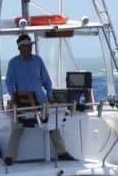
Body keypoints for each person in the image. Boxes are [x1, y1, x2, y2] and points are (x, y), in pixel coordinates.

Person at [4, 33, 74, 165]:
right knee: (17, 126)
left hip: (41, 101)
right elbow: (9, 83)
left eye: (30, 46)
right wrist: (13, 97)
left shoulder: (38, 61)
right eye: (26, 47)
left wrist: (50, 96)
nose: (29, 49)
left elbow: (47, 81)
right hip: (23, 104)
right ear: (20, 48)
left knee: (53, 121)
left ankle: (62, 152)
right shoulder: (13, 63)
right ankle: (9, 156)